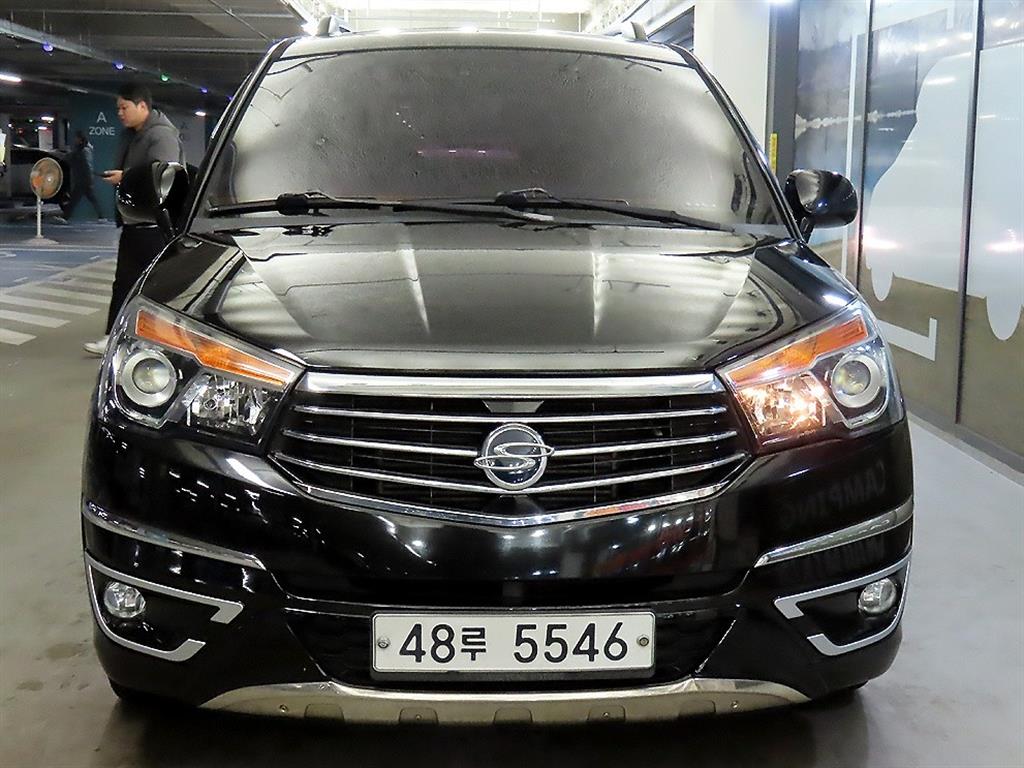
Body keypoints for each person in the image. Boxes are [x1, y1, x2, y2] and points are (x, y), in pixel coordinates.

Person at [84, 83, 184, 356]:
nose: (120, 113)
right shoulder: (131, 135)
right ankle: (113, 337)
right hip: (134, 222)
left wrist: (125, 177)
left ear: (142, 106)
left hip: (155, 226)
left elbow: (165, 175)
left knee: (157, 286)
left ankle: (165, 341)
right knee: (124, 283)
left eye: (124, 107)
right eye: (118, 108)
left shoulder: (161, 135)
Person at [64, 131, 106, 221]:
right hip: (84, 179)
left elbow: (86, 165)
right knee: (91, 198)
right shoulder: (82, 150)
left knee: (74, 200)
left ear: (80, 139)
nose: (75, 140)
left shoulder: (84, 150)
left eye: (76, 138)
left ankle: (65, 217)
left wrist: (89, 179)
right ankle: (101, 216)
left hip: (82, 180)